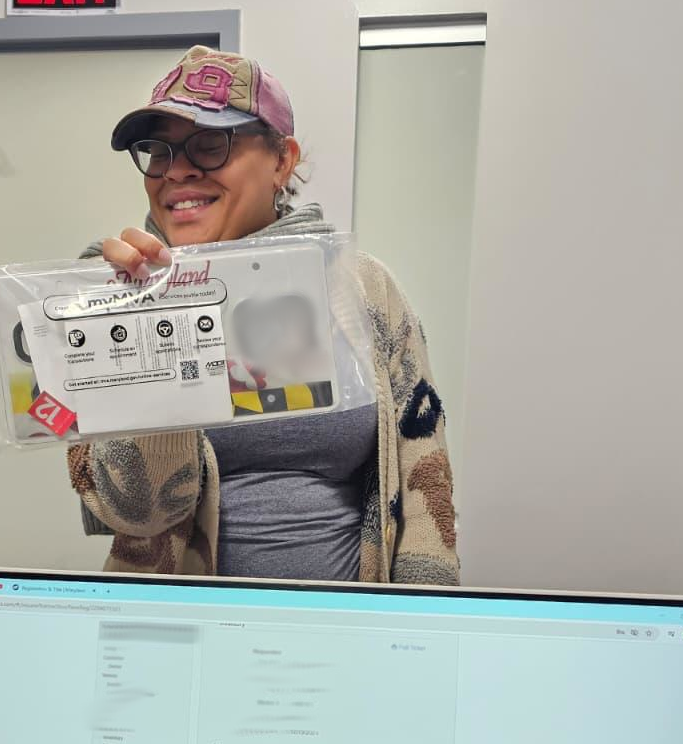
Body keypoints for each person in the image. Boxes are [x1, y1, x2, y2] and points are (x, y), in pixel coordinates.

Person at [65, 46, 458, 585]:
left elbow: (425, 478)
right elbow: (136, 511)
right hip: (175, 620)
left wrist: (421, 619)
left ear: (282, 161)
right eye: (157, 151)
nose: (176, 171)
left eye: (210, 144)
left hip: (349, 621)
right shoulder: (110, 291)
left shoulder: (362, 287)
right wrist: (153, 316)